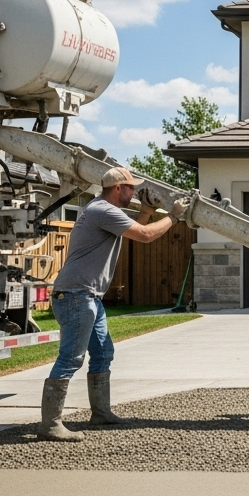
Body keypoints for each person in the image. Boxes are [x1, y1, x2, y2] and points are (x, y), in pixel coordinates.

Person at [38, 168, 189, 441]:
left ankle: (101, 413)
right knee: (70, 358)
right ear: (118, 188)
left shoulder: (102, 210)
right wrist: (174, 216)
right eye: (131, 188)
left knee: (103, 353)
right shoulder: (102, 211)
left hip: (87, 296)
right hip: (76, 295)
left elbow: (136, 227)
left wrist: (146, 210)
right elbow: (145, 235)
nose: (134, 192)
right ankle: (50, 424)